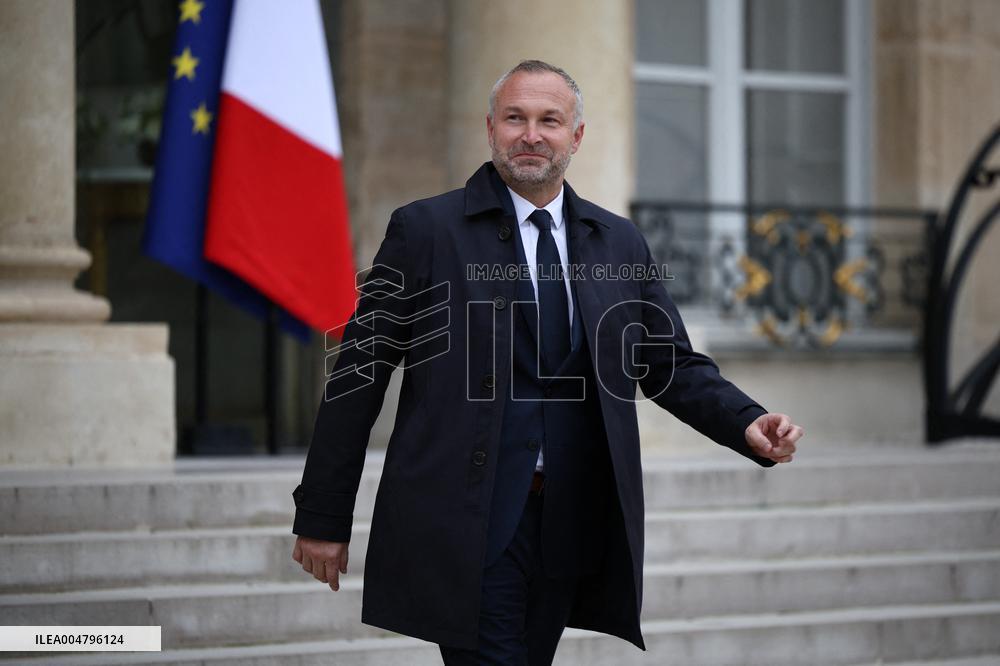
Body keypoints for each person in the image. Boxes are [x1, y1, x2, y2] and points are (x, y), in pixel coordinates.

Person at [291, 59, 803, 664]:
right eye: (515, 118)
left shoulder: (618, 242)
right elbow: (359, 373)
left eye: (549, 121)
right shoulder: (424, 231)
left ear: (576, 136)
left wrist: (745, 421)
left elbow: (668, 363)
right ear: (491, 129)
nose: (531, 135)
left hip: (569, 519)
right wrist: (323, 513)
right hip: (468, 519)